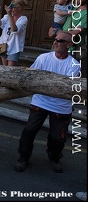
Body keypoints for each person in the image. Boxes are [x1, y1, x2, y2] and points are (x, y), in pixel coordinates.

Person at [14, 31, 80, 173]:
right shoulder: (43, 58)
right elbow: (31, 76)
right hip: (41, 101)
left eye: (60, 41)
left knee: (58, 138)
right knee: (29, 131)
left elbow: (64, 86)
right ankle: (23, 157)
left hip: (61, 106)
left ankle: (54, 158)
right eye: (55, 39)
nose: (56, 42)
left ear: (69, 45)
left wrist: (45, 82)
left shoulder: (74, 65)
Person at [0, 0, 29, 66]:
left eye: (13, 7)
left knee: (11, 68)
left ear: (19, 8)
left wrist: (10, 15)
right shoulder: (6, 16)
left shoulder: (23, 19)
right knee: (4, 66)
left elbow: (14, 29)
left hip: (14, 46)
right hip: (2, 43)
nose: (11, 9)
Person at [62, 0, 87, 78]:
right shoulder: (74, 8)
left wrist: (57, 33)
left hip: (74, 50)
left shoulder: (86, 14)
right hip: (61, 46)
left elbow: (75, 32)